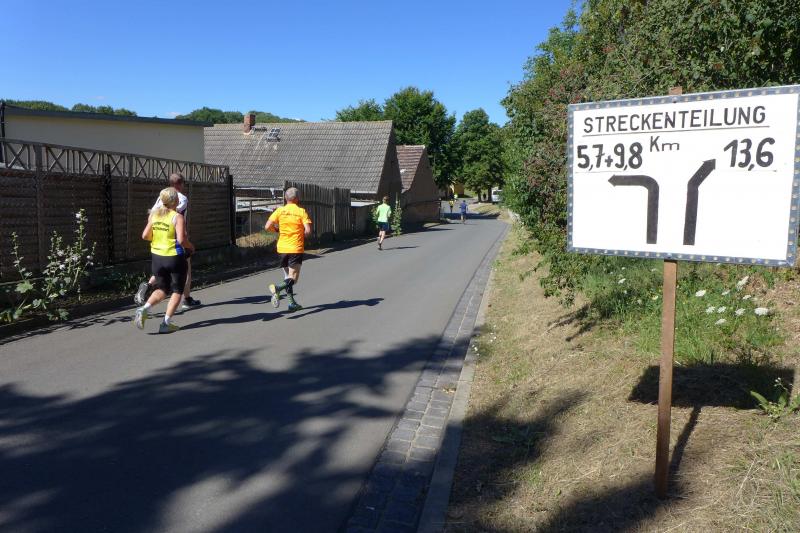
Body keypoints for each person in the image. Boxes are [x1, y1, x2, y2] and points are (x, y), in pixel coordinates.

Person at [133, 173, 201, 310]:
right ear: (181, 184)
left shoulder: (162, 196)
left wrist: (154, 231)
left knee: (163, 266)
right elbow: (175, 213)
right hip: (175, 236)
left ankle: (148, 285)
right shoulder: (181, 198)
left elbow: (152, 214)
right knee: (185, 269)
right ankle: (186, 299)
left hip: (159, 237)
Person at [134, 187, 194, 333]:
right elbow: (181, 239)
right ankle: (166, 323)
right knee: (177, 290)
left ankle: (144, 309)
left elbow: (145, 236)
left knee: (162, 289)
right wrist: (191, 247)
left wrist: (158, 238)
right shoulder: (177, 217)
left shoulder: (154, 215)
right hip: (174, 257)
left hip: (157, 257)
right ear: (176, 201)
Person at [266, 187, 312, 312]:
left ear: (286, 198)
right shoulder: (301, 211)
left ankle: (292, 304)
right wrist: (302, 235)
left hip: (282, 248)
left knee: (288, 277)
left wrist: (277, 230)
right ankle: (277, 288)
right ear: (297, 199)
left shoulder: (280, 211)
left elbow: (267, 226)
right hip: (295, 248)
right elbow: (308, 231)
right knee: (293, 279)